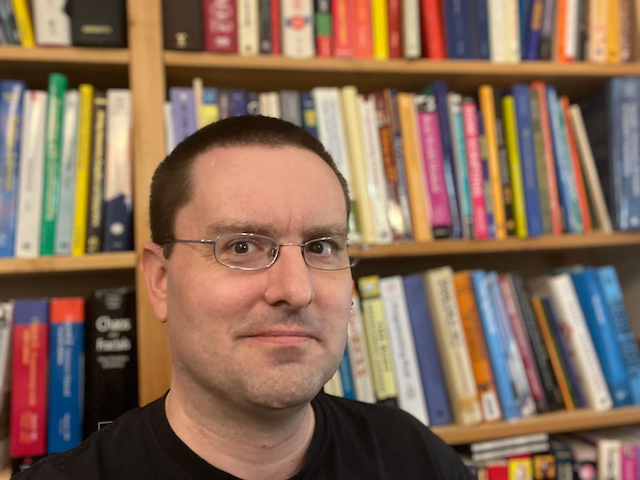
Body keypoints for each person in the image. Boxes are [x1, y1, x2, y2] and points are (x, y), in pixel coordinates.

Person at [15, 116, 473, 480]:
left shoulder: (413, 455)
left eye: (320, 247)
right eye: (241, 247)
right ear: (159, 282)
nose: (295, 290)